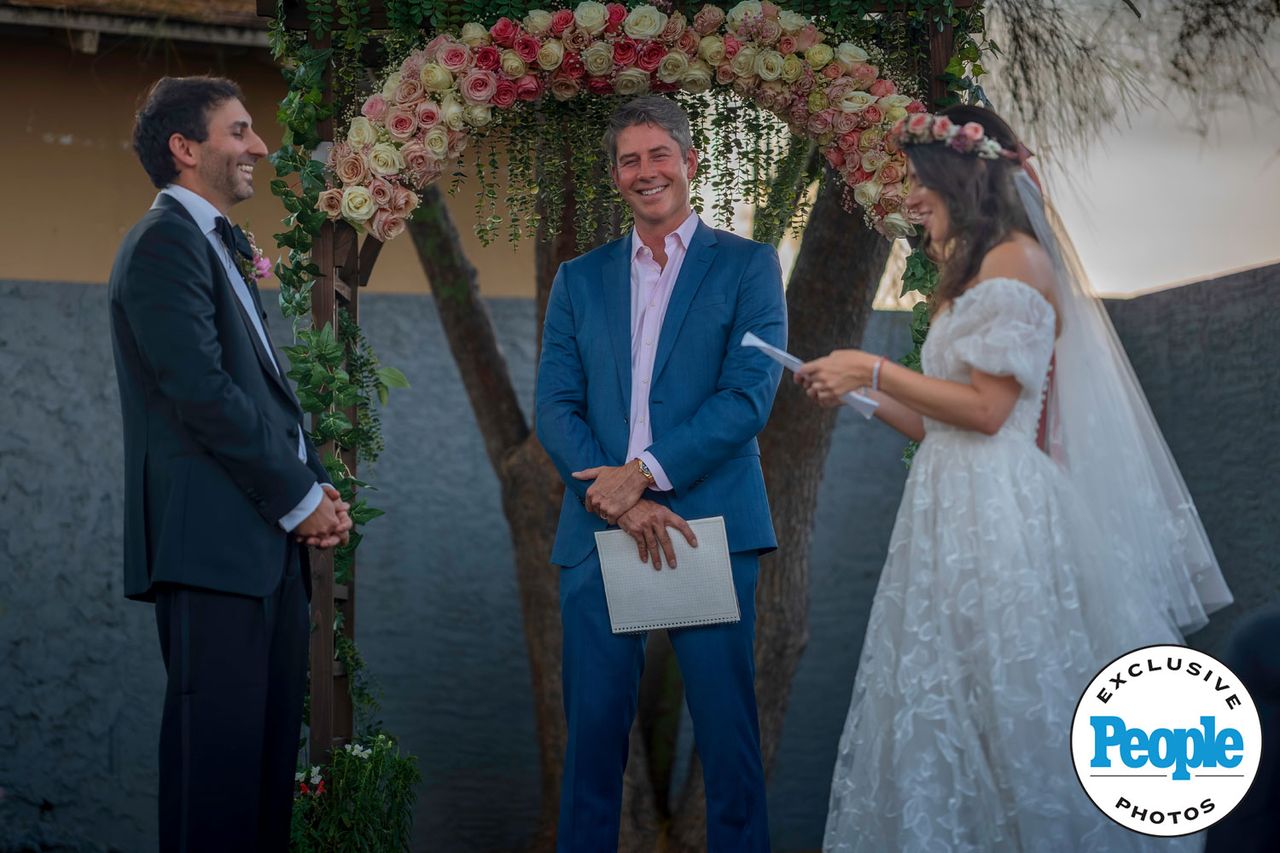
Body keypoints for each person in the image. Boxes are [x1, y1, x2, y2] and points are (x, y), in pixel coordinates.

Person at [798, 105, 1232, 851]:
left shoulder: (1017, 261)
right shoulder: (970, 275)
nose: (911, 198)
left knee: (1013, 697)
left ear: (958, 175)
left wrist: (871, 366)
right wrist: (861, 397)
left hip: (997, 511)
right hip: (947, 504)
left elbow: (990, 411)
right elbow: (943, 423)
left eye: (919, 181)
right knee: (951, 696)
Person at [534, 95, 787, 851]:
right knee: (590, 750)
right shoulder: (579, 279)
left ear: (690, 162)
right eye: (629, 160)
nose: (646, 172)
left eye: (659, 155)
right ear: (615, 175)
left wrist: (642, 473)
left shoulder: (747, 266)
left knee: (729, 746)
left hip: (706, 522)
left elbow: (748, 395)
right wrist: (619, 501)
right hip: (601, 527)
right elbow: (554, 406)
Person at [109, 76, 352, 851]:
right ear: (186, 148)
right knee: (214, 783)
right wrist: (299, 497)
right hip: (212, 551)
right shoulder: (164, 244)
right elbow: (202, 391)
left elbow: (260, 392)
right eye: (240, 131)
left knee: (262, 782)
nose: (260, 146)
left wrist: (315, 486)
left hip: (259, 548)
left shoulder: (217, 244)